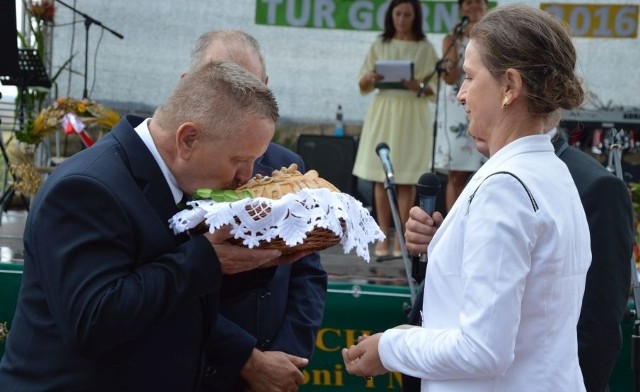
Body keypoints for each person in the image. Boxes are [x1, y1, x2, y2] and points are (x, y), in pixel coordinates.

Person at [0, 61, 309, 391]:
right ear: (187, 139)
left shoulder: (186, 178)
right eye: (238, 160)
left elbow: (184, 302)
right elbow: (93, 321)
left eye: (255, 160)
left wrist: (258, 259)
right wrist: (206, 258)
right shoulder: (86, 188)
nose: (246, 176)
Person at [342, 4, 591, 390]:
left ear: (510, 86)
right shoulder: (551, 170)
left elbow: (482, 350)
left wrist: (390, 347)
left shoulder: (506, 186)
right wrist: (447, 242)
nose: (460, 95)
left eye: (470, 78)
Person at [187, 30, 328, 392]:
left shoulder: (290, 167)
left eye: (247, 88)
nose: (234, 101)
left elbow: (307, 273)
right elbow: (170, 290)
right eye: (219, 85)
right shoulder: (180, 172)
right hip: (200, 369)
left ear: (266, 89)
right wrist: (249, 362)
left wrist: (286, 354)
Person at [352, 0, 438, 258]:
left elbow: (434, 90)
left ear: (416, 16)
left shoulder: (425, 48)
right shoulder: (380, 45)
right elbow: (362, 83)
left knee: (407, 177)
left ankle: (401, 236)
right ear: (391, 16)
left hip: (412, 112)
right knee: (382, 175)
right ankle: (381, 234)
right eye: (398, 13)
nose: (402, 18)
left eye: (407, 14)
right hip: (385, 110)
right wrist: (371, 78)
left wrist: (416, 86)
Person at [433, 0, 488, 212]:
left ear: (485, 5)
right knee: (456, 173)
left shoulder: (494, 37)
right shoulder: (451, 38)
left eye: (478, 2)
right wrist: (456, 44)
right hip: (456, 108)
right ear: (460, 8)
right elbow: (450, 78)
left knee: (485, 170)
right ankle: (452, 228)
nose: (473, 7)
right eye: (468, 2)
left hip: (484, 102)